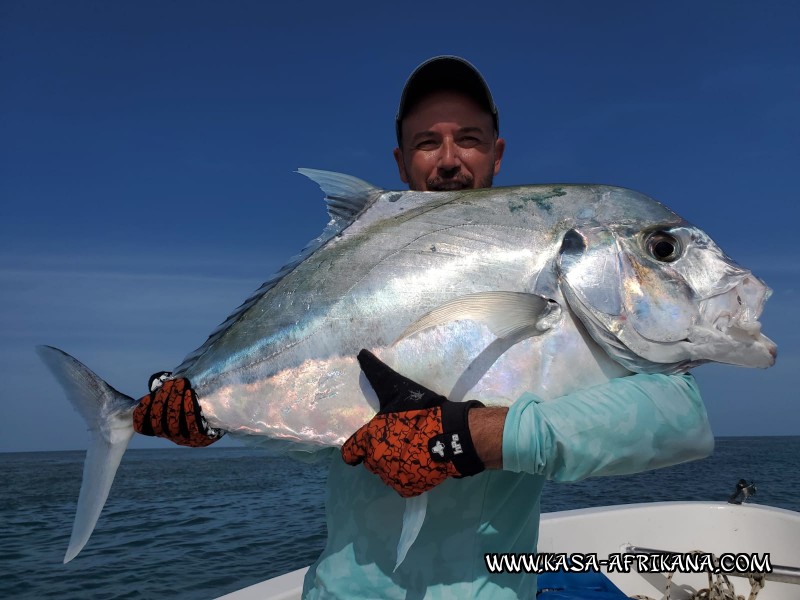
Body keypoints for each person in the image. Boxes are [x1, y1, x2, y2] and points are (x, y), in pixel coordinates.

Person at [133, 56, 713, 599]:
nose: (449, 159)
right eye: (427, 142)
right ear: (400, 161)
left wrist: (473, 436)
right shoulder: (355, 277)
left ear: (497, 153)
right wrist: (212, 414)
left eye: (469, 139)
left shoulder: (551, 268)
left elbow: (678, 418)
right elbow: (324, 429)